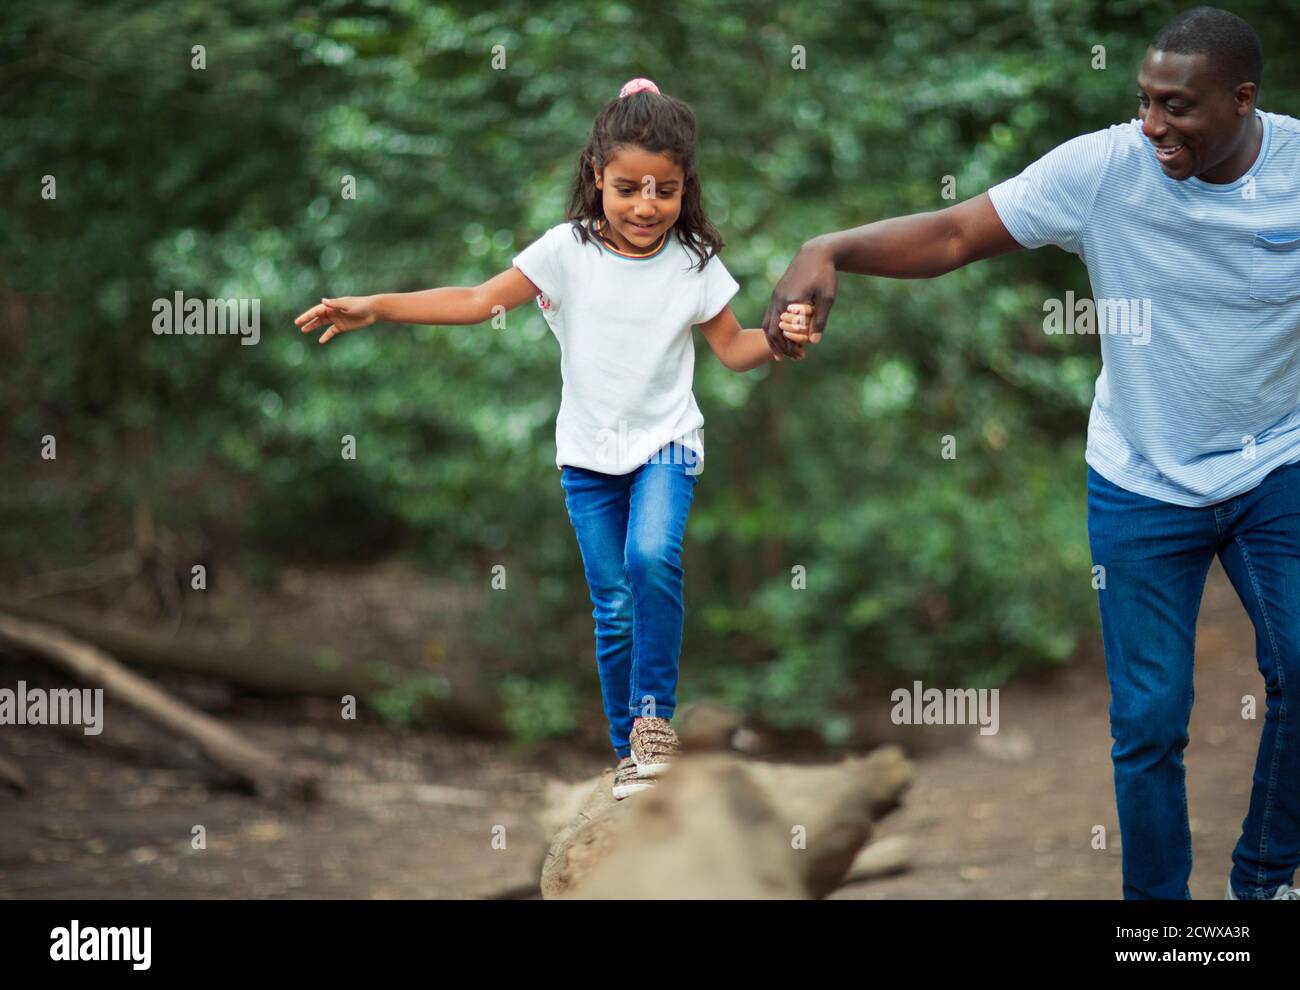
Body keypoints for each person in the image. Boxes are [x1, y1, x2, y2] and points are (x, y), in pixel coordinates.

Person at [769, 6, 1300, 899]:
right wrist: (830, 250)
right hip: (1141, 477)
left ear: (1242, 100)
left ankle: (1266, 878)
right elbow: (954, 234)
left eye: (1178, 107)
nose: (1153, 126)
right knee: (1149, 722)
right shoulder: (1104, 168)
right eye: (1143, 102)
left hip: (1276, 462)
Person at [295, 78, 816, 800]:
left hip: (666, 445)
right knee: (612, 604)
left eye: (664, 191)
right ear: (598, 175)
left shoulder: (693, 262)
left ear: (683, 188)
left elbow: (735, 349)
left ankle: (653, 727)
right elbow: (479, 301)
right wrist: (376, 306)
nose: (645, 205)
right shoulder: (564, 252)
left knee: (650, 559)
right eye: (628, 186)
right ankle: (628, 755)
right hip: (587, 460)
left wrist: (787, 341)